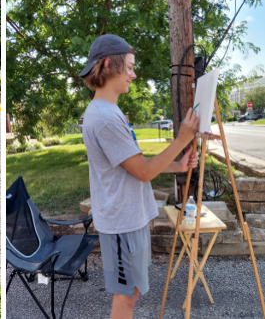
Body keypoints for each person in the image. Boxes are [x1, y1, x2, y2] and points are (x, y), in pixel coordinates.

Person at [79, 34, 199, 319]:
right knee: (126, 298)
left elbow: (134, 165)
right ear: (110, 64)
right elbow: (144, 172)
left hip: (128, 220)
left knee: (130, 293)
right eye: (130, 67)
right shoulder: (105, 117)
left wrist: (177, 166)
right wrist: (182, 139)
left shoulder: (109, 111)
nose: (133, 74)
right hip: (122, 223)